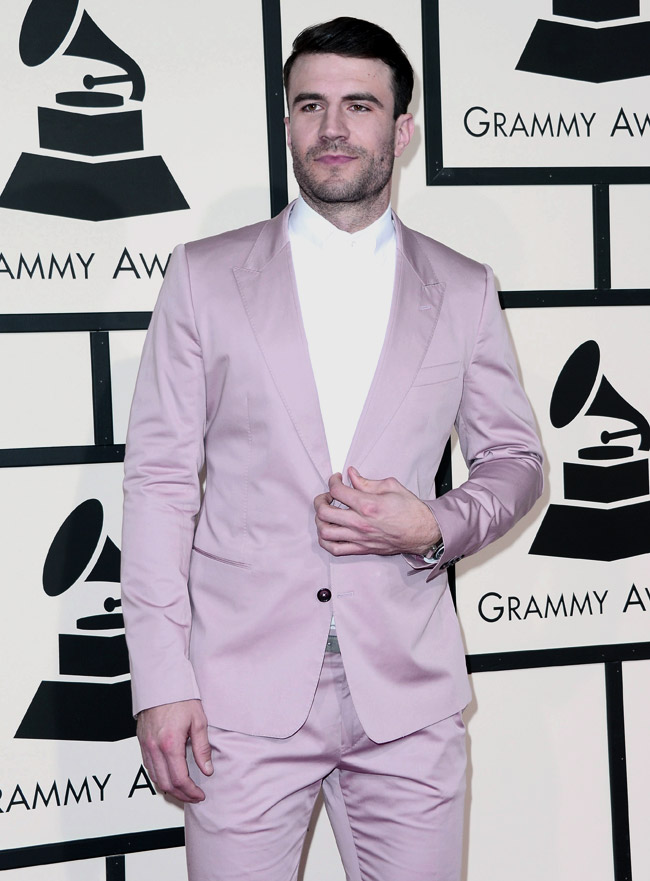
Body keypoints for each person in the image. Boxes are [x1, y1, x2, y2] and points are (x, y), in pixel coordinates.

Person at [121, 16, 543, 881]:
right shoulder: (204, 275)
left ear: (403, 128)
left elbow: (516, 460)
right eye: (310, 105)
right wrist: (163, 679)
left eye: (359, 104)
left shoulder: (463, 288)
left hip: (410, 698)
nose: (333, 128)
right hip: (238, 701)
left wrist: (433, 522)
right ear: (288, 123)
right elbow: (160, 482)